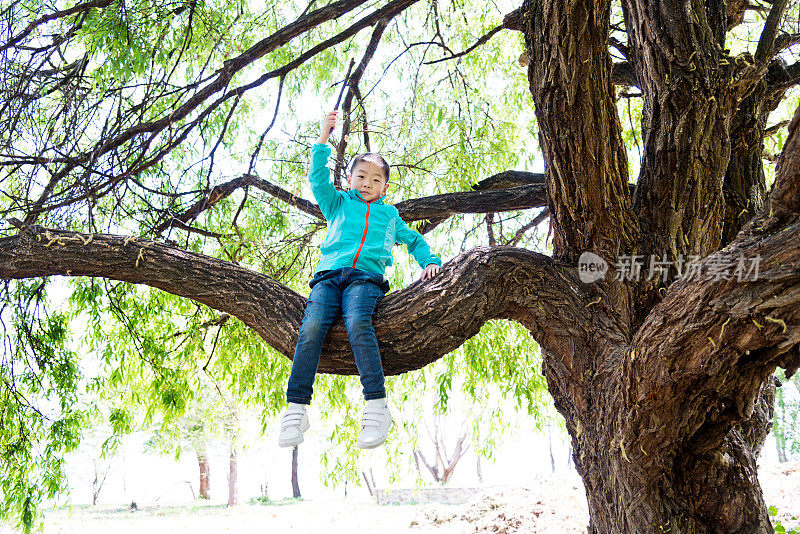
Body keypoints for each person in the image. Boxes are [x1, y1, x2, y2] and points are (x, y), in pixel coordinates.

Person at [278, 110, 442, 449]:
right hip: (327, 279)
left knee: (357, 323)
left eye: (376, 179)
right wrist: (325, 134)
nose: (367, 183)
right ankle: (296, 408)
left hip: (365, 280)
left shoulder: (389, 215)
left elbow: (414, 240)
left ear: (385, 186)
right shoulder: (337, 203)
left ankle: (376, 406)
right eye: (361, 176)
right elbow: (317, 179)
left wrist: (430, 262)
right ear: (350, 179)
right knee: (311, 328)